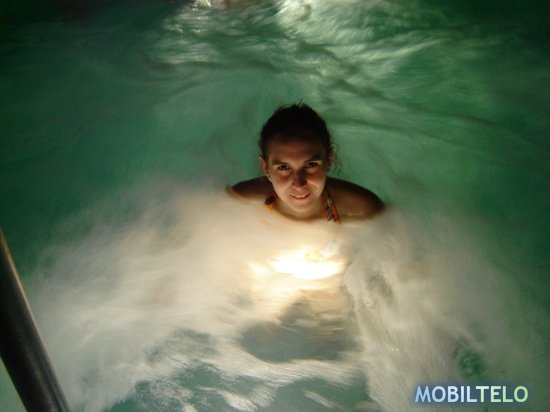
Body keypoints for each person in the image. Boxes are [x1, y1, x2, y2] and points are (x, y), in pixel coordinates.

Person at [229, 103, 384, 222]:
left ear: (328, 160)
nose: (299, 184)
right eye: (283, 167)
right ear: (265, 168)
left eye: (310, 165)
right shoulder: (240, 202)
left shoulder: (364, 211)